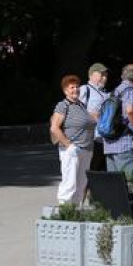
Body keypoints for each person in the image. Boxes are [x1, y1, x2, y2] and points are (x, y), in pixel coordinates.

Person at [50, 74, 95, 204]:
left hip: (86, 149)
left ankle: (75, 211)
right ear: (65, 91)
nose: (75, 89)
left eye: (77, 87)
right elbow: (54, 128)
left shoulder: (81, 105)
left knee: (81, 184)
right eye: (72, 87)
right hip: (72, 149)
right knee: (69, 183)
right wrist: (69, 145)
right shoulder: (63, 105)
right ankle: (64, 210)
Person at [102, 64, 133, 174]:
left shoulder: (112, 92)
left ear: (122, 76)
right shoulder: (132, 91)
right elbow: (129, 110)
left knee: (115, 181)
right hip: (125, 143)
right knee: (131, 181)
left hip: (109, 144)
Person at [79, 62, 109, 172]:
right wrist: (91, 115)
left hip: (103, 138)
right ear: (91, 75)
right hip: (90, 139)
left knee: (101, 170)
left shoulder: (105, 93)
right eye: (102, 75)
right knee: (90, 169)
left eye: (106, 75)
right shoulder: (84, 89)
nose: (104, 78)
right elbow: (76, 112)